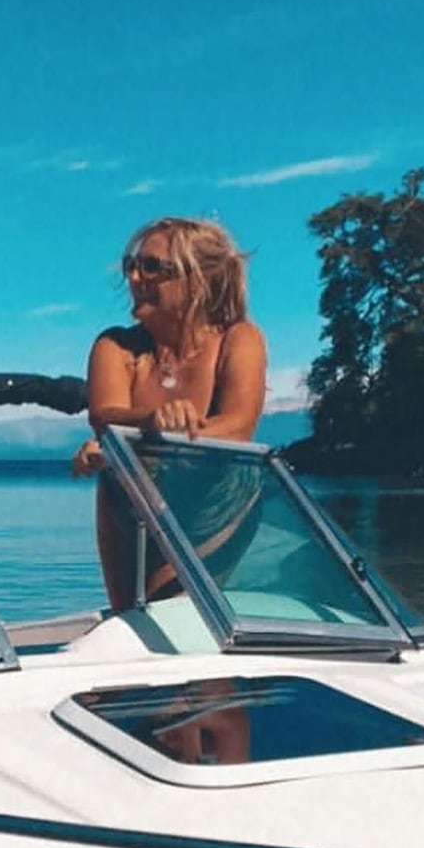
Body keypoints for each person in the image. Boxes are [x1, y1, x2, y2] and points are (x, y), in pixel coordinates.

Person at [72, 217, 267, 610]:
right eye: (131, 265)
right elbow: (104, 415)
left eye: (152, 267)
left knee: (181, 619)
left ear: (197, 280)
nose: (135, 277)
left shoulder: (239, 339)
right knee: (133, 625)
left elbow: (238, 426)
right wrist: (153, 420)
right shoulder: (116, 346)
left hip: (216, 503)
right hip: (131, 498)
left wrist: (169, 438)